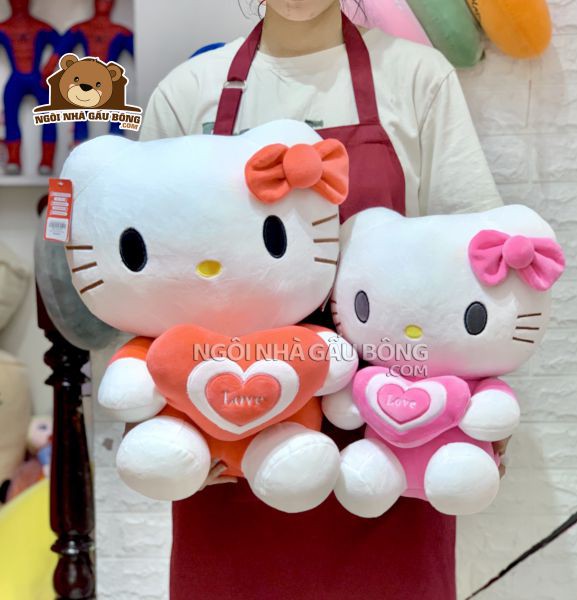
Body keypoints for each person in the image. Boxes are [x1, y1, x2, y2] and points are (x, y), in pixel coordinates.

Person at [139, 1, 509, 598]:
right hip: (231, 425)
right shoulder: (190, 93)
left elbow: (478, 253)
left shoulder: (416, 77)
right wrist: (166, 425)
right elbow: (149, 267)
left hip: (391, 431)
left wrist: (487, 401)